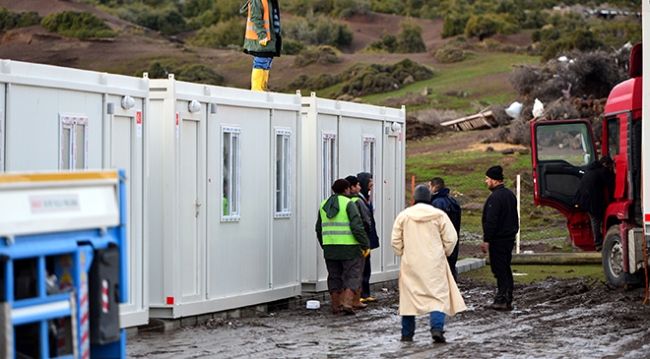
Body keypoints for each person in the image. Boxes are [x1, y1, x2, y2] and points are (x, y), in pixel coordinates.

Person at [391, 185, 466, 343]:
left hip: (411, 263)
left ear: (414, 198)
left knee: (409, 299)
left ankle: (407, 334)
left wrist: (401, 252)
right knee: (437, 297)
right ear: (429, 198)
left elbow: (395, 240)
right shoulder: (439, 215)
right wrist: (444, 252)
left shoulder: (404, 216)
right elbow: (451, 238)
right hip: (434, 263)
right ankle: (437, 329)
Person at [315, 178, 370, 315]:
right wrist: (365, 244)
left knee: (334, 276)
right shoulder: (349, 203)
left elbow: (318, 229)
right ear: (347, 189)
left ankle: (335, 306)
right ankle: (347, 303)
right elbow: (357, 227)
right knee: (352, 274)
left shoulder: (324, 205)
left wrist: (325, 245)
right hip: (350, 247)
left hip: (330, 247)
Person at [481, 165, 519, 311]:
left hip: (498, 239)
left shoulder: (495, 198)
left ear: (495, 180)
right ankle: (508, 297)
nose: (486, 182)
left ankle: (502, 298)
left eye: (488, 179)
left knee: (499, 269)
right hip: (509, 238)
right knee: (505, 267)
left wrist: (486, 239)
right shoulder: (510, 195)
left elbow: (492, 220)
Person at [573, 156, 615, 252]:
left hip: (582, 198)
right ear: (605, 165)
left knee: (595, 219)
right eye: (609, 166)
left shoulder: (591, 169)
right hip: (591, 199)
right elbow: (611, 182)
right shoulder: (602, 171)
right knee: (596, 220)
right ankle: (598, 243)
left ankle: (598, 241)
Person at [241, 0, 282, 91]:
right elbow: (255, 18)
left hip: (271, 39)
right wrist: (262, 35)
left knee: (267, 61)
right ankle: (257, 89)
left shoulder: (270, 2)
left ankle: (263, 87)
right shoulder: (258, 1)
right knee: (260, 61)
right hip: (260, 39)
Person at [345, 175, 372, 310]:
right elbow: (366, 223)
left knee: (342, 273)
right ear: (351, 187)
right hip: (356, 243)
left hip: (337, 244)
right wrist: (365, 242)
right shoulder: (357, 201)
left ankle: (339, 302)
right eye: (357, 185)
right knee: (357, 271)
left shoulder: (337, 202)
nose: (360, 187)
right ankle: (355, 300)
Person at [429, 177, 462, 282]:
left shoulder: (437, 203)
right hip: (453, 239)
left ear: (434, 188)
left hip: (441, 241)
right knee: (450, 269)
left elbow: (435, 225)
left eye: (429, 187)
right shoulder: (452, 201)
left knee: (440, 272)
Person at [357, 172, 380, 302]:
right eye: (370, 181)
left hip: (367, 238)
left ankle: (365, 293)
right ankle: (359, 294)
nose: (372, 184)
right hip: (362, 239)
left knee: (366, 266)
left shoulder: (366, 198)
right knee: (360, 267)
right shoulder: (359, 200)